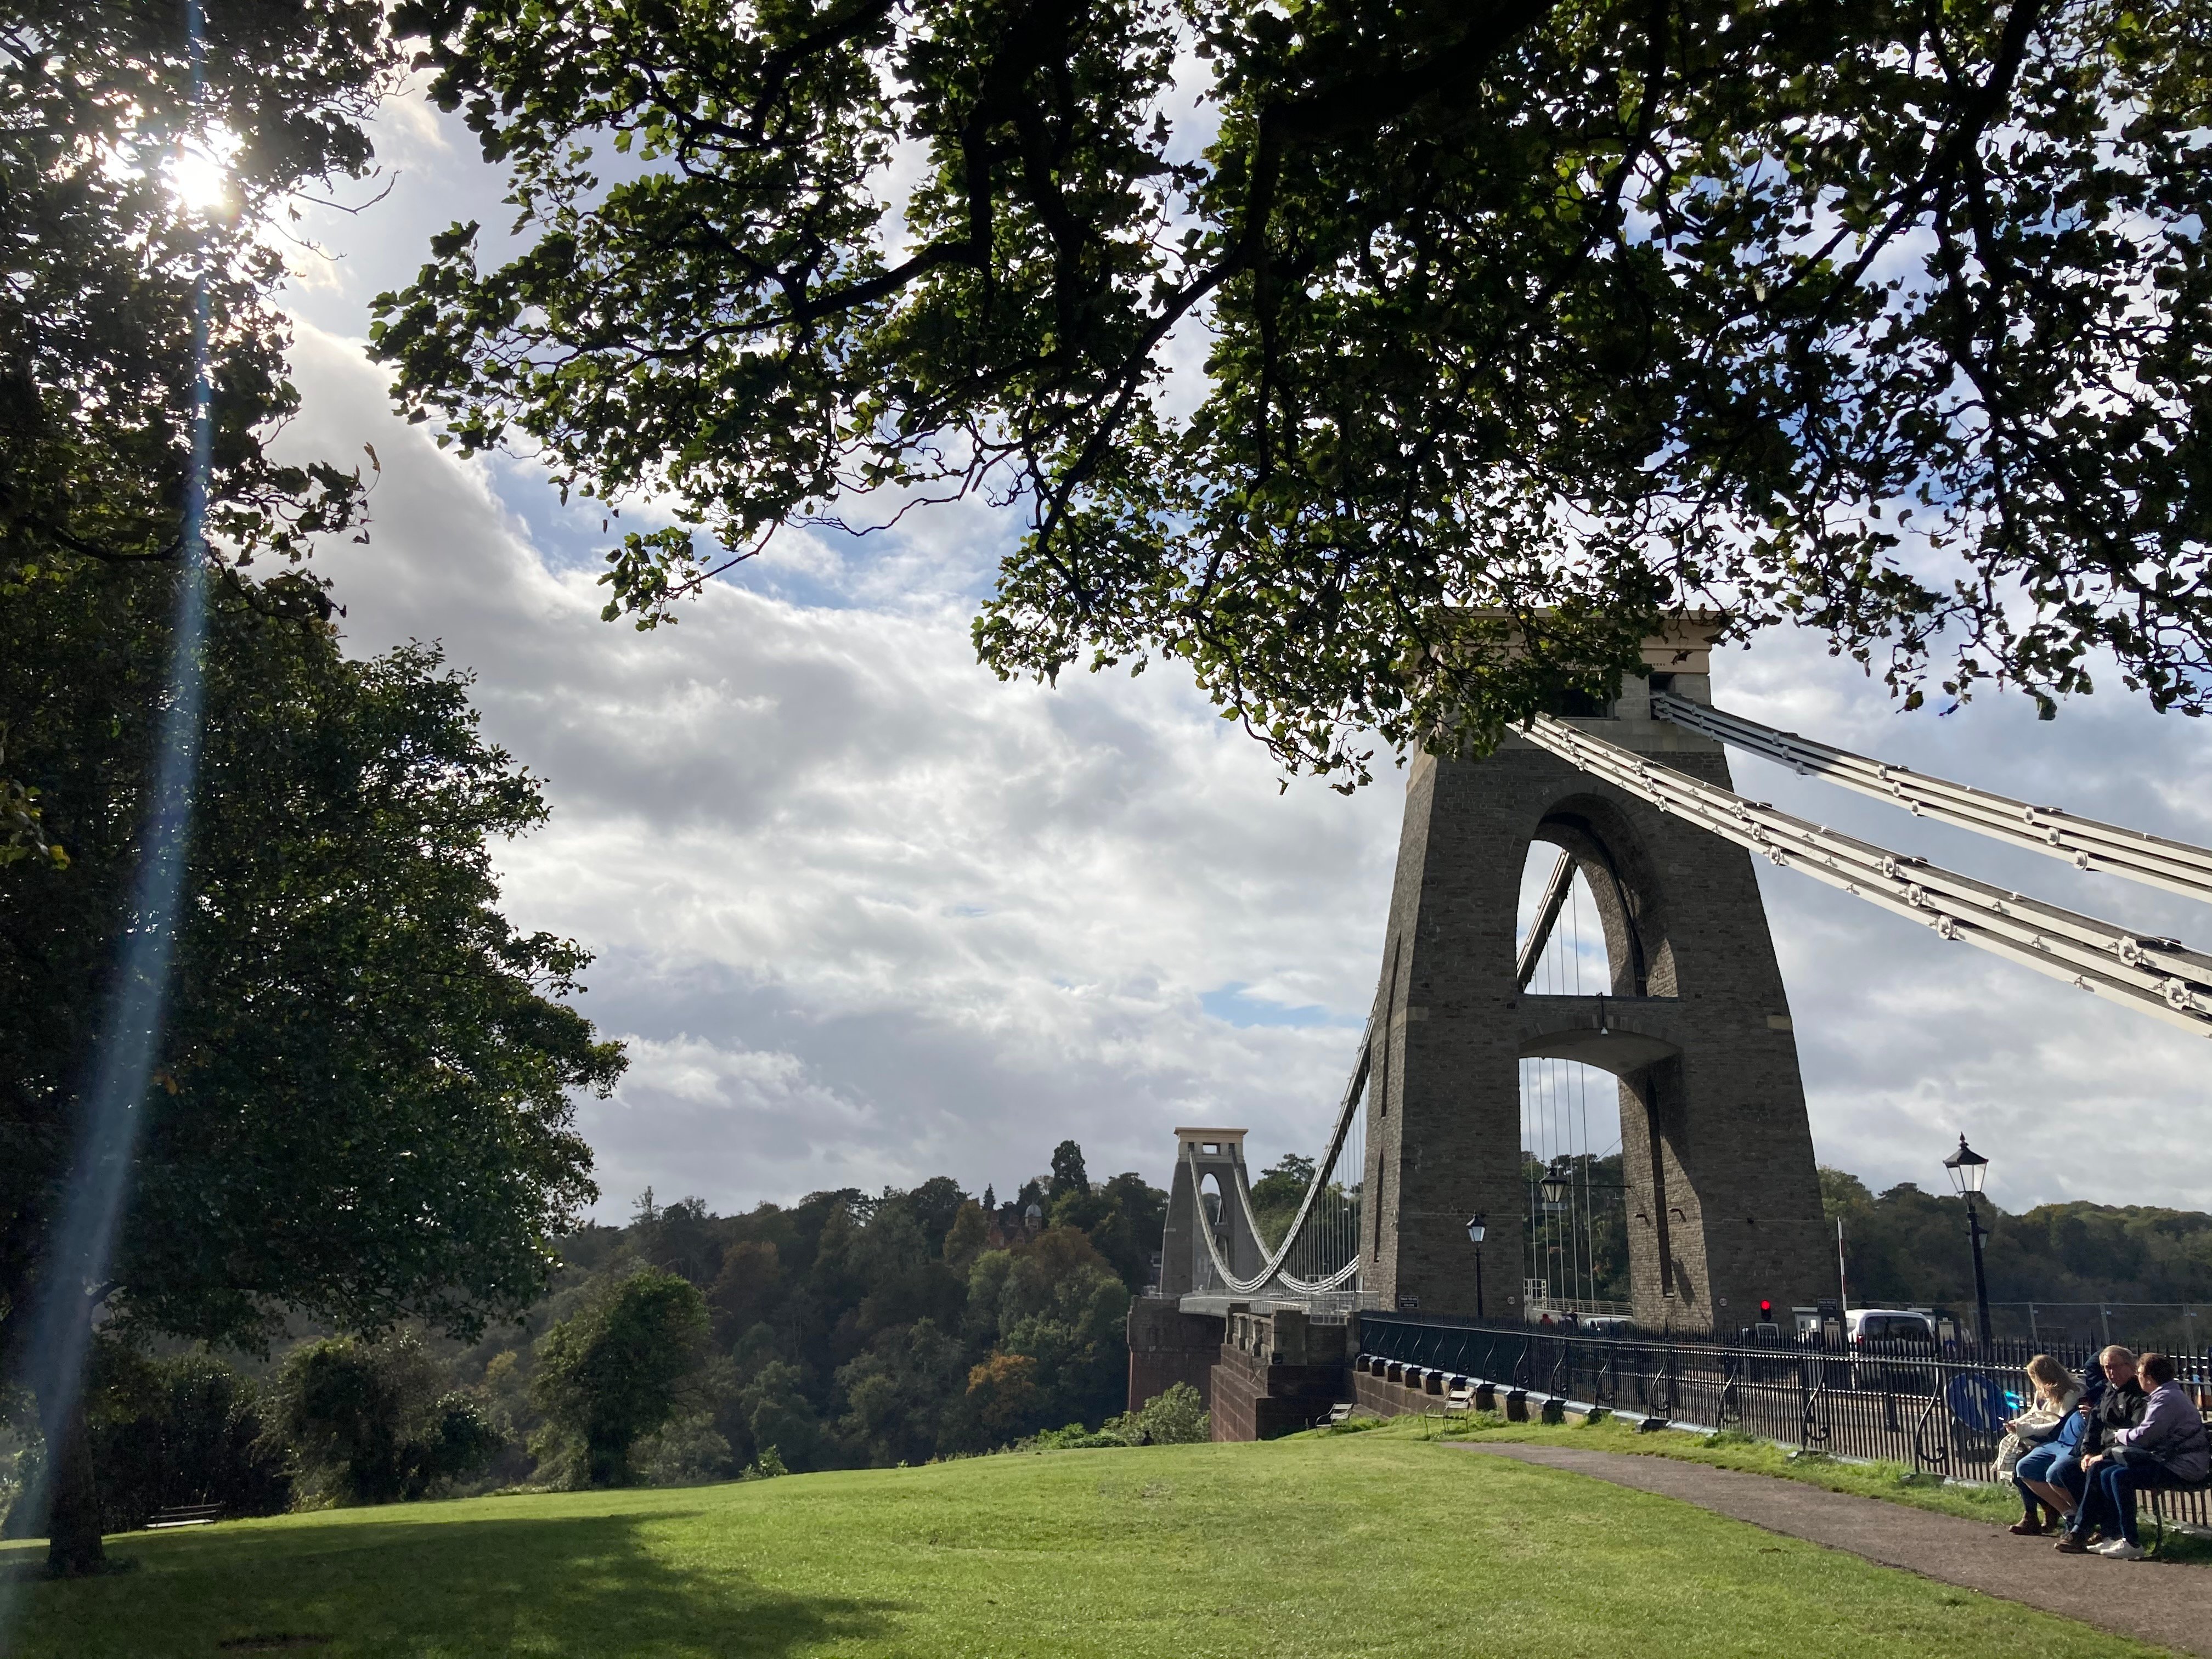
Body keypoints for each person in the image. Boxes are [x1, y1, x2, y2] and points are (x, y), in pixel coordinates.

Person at [2062, 1352, 2209, 1559]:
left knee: (2119, 1476)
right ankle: (2114, 1535)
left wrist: (2117, 1434)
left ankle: (2131, 1540)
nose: (2137, 1377)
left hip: (2183, 1466)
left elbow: (2145, 1436)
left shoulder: (2166, 1399)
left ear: (2149, 1377)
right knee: (2105, 1472)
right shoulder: (2163, 1395)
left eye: (2139, 1373)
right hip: (2169, 1460)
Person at [2028, 1346, 2145, 1539]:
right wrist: (2088, 1452)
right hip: (2105, 1450)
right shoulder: (2109, 1390)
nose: (2111, 1373)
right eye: (2107, 1368)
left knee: (2101, 1471)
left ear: (2131, 1366)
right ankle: (2096, 1524)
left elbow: (2134, 1433)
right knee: (2066, 1471)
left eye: (2115, 1367)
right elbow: (2094, 1424)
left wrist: (2102, 1455)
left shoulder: (2138, 1393)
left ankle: (2085, 1530)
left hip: (2124, 1453)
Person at [2001, 1354, 2084, 1534]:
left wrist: (2025, 1429)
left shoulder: (2071, 1392)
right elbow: (2034, 1413)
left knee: (2027, 1464)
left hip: (2058, 1438)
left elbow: (2059, 1424)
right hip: (2039, 1435)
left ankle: (2054, 1512)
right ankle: (2037, 1513)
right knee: (2018, 1465)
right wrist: (2016, 1424)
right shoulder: (2042, 1392)